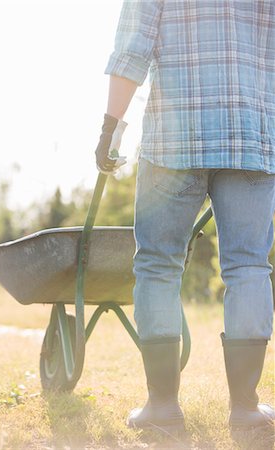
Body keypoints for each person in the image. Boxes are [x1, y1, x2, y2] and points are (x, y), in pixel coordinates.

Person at [95, 0, 275, 433]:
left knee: (158, 264)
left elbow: (131, 51)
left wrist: (109, 130)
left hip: (175, 141)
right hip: (251, 135)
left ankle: (161, 409)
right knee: (248, 266)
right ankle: (247, 411)